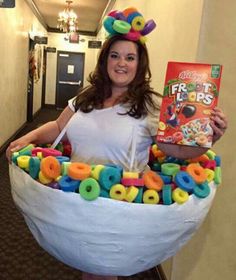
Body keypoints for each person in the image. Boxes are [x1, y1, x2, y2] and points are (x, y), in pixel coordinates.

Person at [6, 7, 227, 280]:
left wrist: (207, 139)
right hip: (78, 196)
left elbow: (177, 149)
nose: (121, 63)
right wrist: (26, 138)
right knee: (89, 264)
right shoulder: (87, 96)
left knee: (103, 269)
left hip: (118, 203)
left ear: (139, 63)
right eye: (115, 55)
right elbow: (59, 126)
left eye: (130, 57)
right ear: (105, 60)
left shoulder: (151, 104)